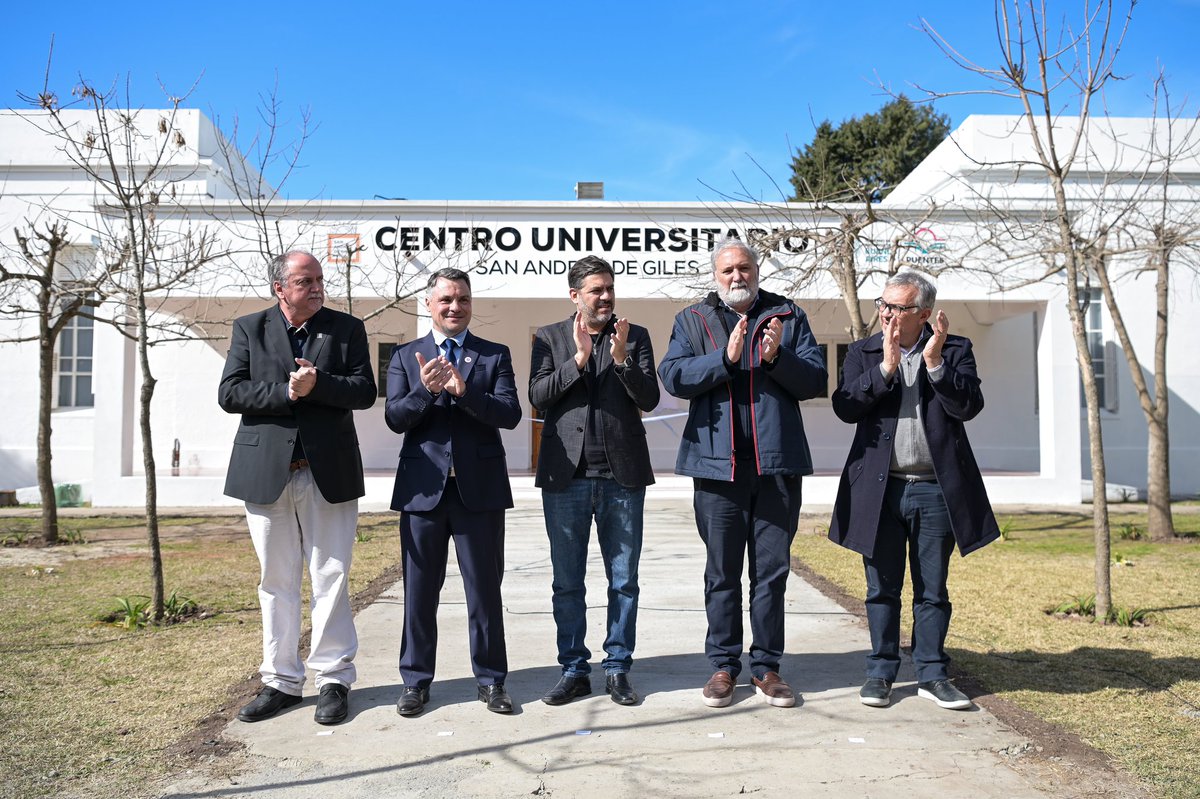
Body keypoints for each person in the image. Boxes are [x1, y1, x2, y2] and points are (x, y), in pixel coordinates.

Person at [658, 237, 827, 709]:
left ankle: (768, 668)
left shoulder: (788, 315)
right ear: (716, 275)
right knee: (722, 572)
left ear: (757, 270)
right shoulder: (692, 320)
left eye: (745, 268)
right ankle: (722, 666)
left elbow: (816, 380)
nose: (737, 276)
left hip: (777, 468)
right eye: (728, 270)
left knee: (771, 573)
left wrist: (776, 358)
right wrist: (726, 359)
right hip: (716, 470)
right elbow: (673, 376)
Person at [828, 270, 999, 711]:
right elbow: (845, 407)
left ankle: (933, 674)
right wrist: (884, 369)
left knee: (932, 590)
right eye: (883, 305)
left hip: (934, 490)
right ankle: (881, 673)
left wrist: (936, 364)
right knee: (881, 587)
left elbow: (968, 407)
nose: (886, 315)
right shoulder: (864, 351)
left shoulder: (955, 349)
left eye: (897, 308)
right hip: (879, 491)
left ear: (924, 314)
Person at [218, 250, 376, 726]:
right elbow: (230, 392)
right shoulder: (250, 328)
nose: (315, 287)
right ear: (279, 288)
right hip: (266, 473)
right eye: (304, 281)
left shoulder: (346, 328)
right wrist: (286, 392)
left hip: (327, 471)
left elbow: (363, 391)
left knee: (331, 575)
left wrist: (318, 384)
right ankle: (281, 681)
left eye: (319, 280)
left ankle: (333, 679)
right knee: (277, 580)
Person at [385, 267, 522, 717]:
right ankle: (415, 681)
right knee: (420, 592)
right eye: (445, 299)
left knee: (484, 591)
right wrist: (425, 392)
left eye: (462, 299)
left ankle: (491, 681)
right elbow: (396, 418)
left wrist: (464, 393)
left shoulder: (493, 354)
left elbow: (509, 414)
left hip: (478, 493)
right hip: (422, 491)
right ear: (429, 304)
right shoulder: (407, 356)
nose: (454, 307)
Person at [528, 256, 660, 707]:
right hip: (566, 479)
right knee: (568, 581)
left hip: (622, 477)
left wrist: (621, 359)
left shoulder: (634, 336)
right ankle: (573, 669)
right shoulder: (549, 338)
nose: (605, 297)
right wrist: (580, 359)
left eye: (609, 289)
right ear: (575, 295)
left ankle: (618, 668)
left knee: (623, 579)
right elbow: (539, 396)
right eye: (595, 290)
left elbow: (650, 397)